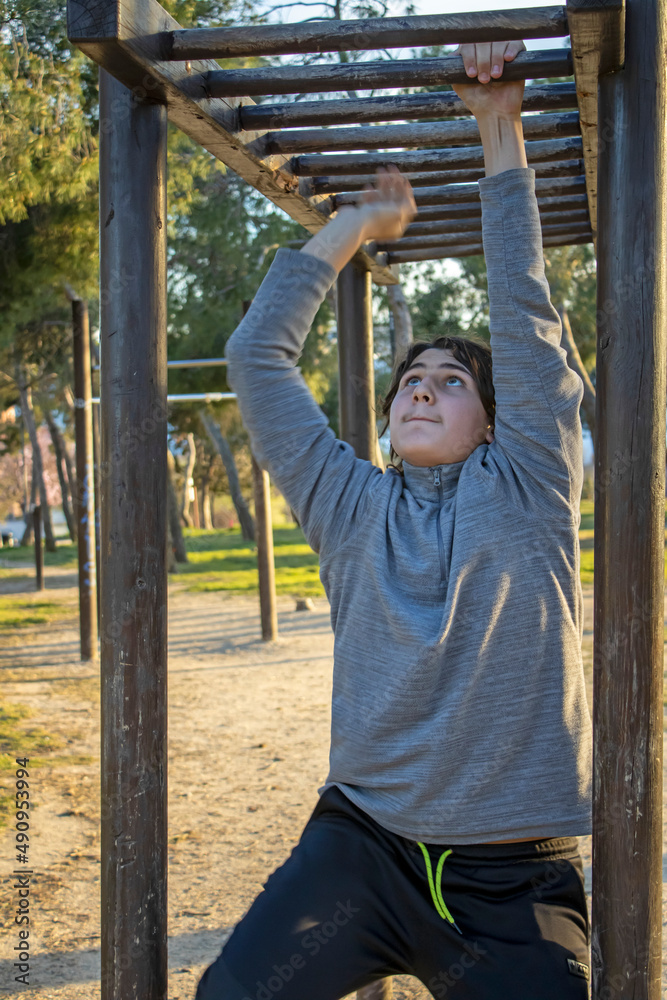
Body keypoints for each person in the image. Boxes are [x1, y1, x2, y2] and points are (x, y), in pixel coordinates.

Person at [195, 37, 592, 1000]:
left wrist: (497, 127)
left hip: (510, 877)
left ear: (493, 420)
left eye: (451, 382)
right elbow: (257, 358)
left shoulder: (531, 484)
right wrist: (357, 225)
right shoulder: (348, 502)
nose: (422, 388)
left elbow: (523, 312)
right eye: (411, 379)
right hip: (363, 851)